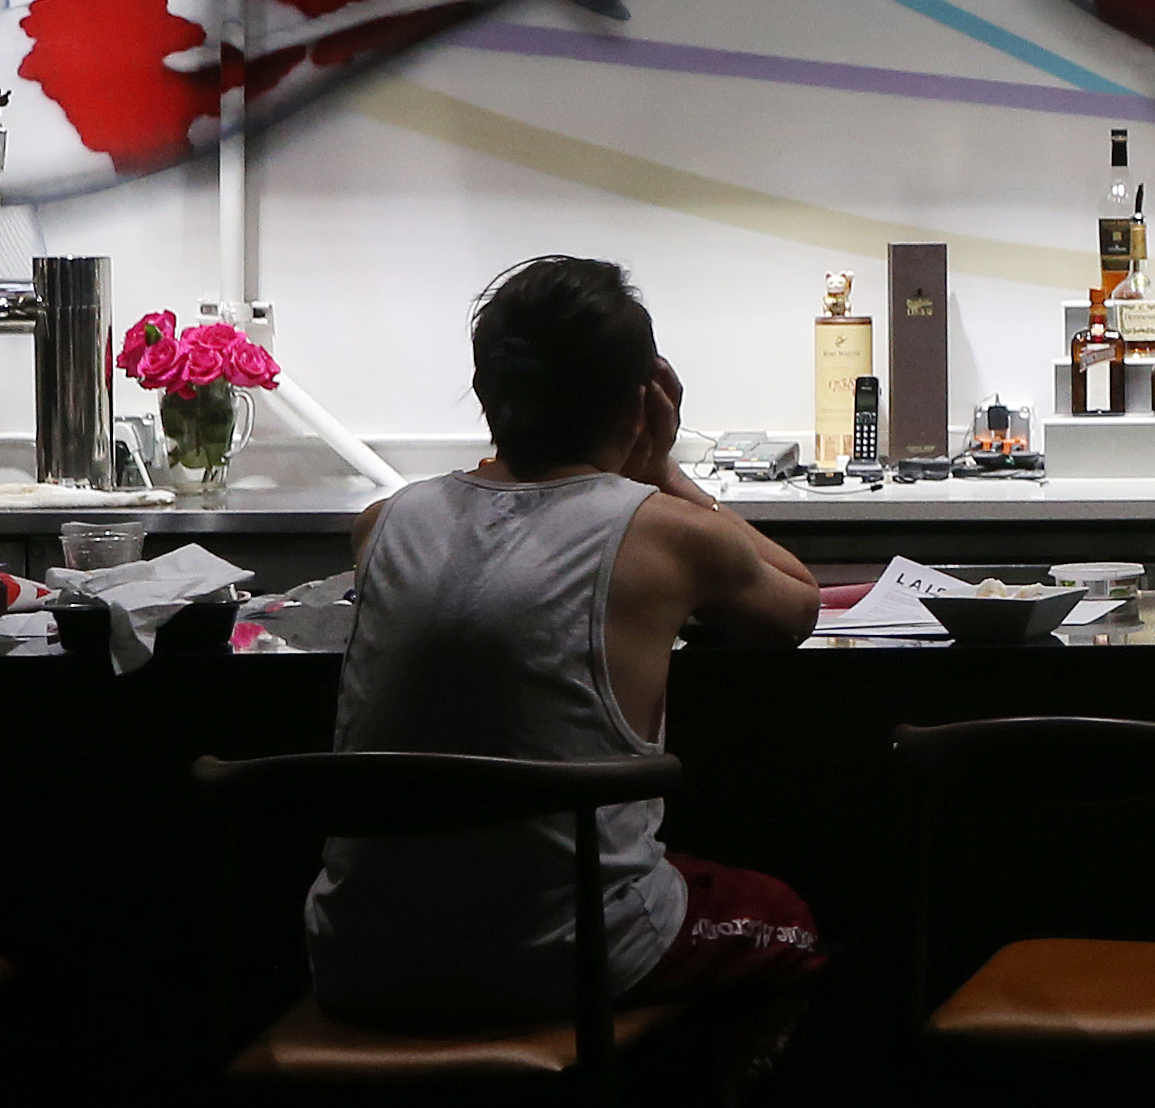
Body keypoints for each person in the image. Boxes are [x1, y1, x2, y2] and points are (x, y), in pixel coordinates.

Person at [315, 257, 824, 1050]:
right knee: (790, 922)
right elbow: (796, 601)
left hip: (356, 960)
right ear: (644, 399)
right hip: (573, 957)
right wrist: (661, 470)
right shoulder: (665, 531)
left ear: (488, 394)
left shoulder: (383, 524)